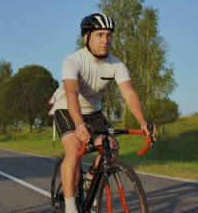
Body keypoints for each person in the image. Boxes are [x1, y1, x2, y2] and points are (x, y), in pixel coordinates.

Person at [49, 13, 156, 213]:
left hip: (94, 112)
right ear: (86, 37)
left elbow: (129, 93)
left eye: (108, 35)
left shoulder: (116, 64)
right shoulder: (73, 61)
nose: (105, 40)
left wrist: (143, 122)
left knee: (111, 147)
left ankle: (90, 179)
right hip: (67, 109)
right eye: (99, 35)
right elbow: (71, 93)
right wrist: (79, 124)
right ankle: (71, 206)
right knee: (74, 149)